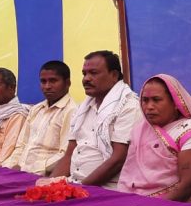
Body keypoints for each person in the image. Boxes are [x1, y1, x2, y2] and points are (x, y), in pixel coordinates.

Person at [118, 74, 191, 206]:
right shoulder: (142, 128)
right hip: (143, 202)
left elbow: (189, 186)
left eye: (156, 100)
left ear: (176, 103)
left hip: (190, 205)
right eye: (145, 100)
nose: (149, 106)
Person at [52, 51, 141, 189]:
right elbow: (69, 154)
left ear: (114, 75)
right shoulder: (82, 108)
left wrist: (79, 189)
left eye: (93, 73)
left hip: (109, 189)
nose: (86, 79)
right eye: (84, 74)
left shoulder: (129, 106)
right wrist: (50, 185)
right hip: (74, 184)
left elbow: (118, 159)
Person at [10, 60, 77, 175]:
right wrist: (12, 166)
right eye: (43, 81)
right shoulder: (36, 109)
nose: (47, 86)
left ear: (67, 83)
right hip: (19, 171)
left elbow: (65, 154)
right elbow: (21, 144)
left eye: (53, 81)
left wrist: (30, 169)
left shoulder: (72, 111)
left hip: (44, 175)